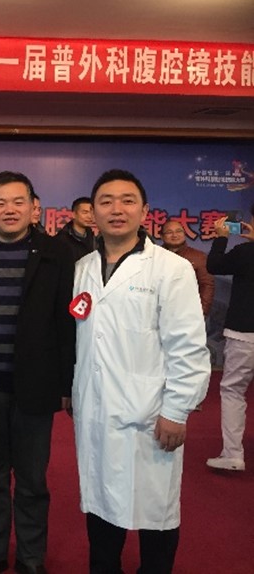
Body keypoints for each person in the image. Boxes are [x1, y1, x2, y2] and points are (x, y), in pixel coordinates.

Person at [72, 169, 210, 574]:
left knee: (156, 512)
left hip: (150, 414)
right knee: (100, 506)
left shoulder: (170, 269)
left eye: (127, 200)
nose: (117, 209)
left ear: (145, 211)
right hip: (95, 410)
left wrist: (177, 410)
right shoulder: (82, 267)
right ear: (92, 213)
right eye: (106, 201)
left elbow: (188, 346)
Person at [0, 171, 75, 574]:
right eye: (0, 203)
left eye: (18, 201)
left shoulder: (57, 255)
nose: (9, 210)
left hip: (35, 388)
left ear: (34, 207)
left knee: (31, 480)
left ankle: (30, 558)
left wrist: (66, 383)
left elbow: (67, 324)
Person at [205, 206, 254, 471]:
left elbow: (214, 265)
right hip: (243, 333)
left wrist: (221, 237)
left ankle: (233, 455)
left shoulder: (245, 252)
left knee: (233, 391)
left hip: (243, 333)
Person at [161, 219, 215, 316]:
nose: (175, 235)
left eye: (179, 231)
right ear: (162, 236)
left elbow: (207, 286)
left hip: (188, 314)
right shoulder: (155, 256)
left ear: (184, 234)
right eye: (169, 232)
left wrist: (201, 313)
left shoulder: (199, 257)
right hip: (159, 312)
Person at [55, 196, 96, 261]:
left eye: (92, 213)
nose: (89, 216)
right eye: (85, 212)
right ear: (73, 214)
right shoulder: (61, 240)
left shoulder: (95, 238)